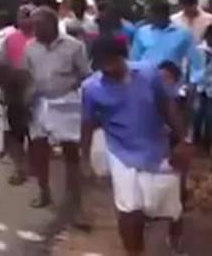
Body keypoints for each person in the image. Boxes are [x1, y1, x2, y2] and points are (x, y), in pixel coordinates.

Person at [82, 37, 194, 256]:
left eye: (111, 63)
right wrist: (84, 157)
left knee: (167, 206)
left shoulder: (149, 73)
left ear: (122, 57)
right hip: (121, 151)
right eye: (101, 65)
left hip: (157, 147)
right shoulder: (91, 88)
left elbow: (168, 107)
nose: (107, 69)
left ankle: (174, 238)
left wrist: (182, 140)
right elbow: (87, 124)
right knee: (129, 210)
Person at [23, 7, 91, 226]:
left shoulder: (74, 46)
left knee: (71, 153)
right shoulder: (30, 48)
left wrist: (72, 92)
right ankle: (44, 191)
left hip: (66, 103)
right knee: (38, 149)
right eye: (33, 26)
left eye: (39, 25)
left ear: (53, 24)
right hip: (40, 103)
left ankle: (75, 204)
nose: (35, 30)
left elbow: (85, 76)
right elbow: (27, 75)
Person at [130, 0, 203, 87]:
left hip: (171, 85)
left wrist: (193, 83)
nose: (147, 16)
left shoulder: (183, 34)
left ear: (163, 14)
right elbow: (134, 59)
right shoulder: (142, 32)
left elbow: (196, 63)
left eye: (149, 13)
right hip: (145, 84)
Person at [0, 4, 35, 186]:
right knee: (15, 131)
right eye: (21, 16)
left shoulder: (41, 40)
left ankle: (32, 165)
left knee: (35, 131)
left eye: (28, 16)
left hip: (35, 88)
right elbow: (4, 64)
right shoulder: (10, 39)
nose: (24, 20)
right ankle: (19, 168)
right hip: (14, 87)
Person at [196, 24, 212, 161]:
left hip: (211, 90)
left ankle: (206, 144)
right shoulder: (198, 50)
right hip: (197, 87)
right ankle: (195, 142)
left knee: (210, 117)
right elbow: (188, 67)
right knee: (196, 116)